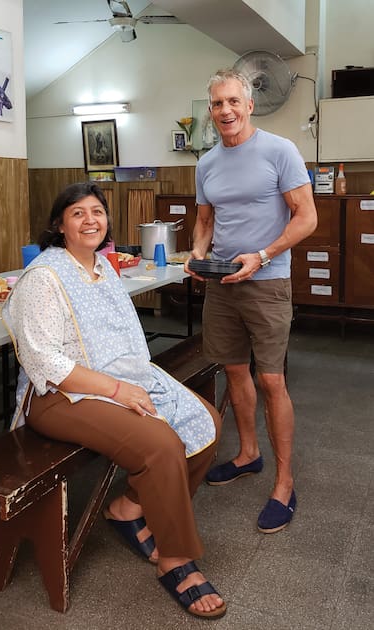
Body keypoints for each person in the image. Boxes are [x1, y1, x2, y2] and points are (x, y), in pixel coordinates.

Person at [2, 181, 226, 620]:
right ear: (59, 225)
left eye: (97, 212)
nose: (90, 220)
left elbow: (123, 340)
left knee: (207, 424)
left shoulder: (103, 269)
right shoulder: (44, 277)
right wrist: (119, 390)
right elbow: (44, 359)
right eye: (78, 213)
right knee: (160, 445)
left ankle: (129, 508)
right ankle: (175, 559)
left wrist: (131, 379)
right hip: (57, 396)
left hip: (113, 380)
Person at [185, 69, 318, 534]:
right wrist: (198, 254)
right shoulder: (206, 164)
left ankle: (284, 482)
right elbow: (205, 221)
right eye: (217, 104)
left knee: (271, 380)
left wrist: (261, 256)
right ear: (211, 111)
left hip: (267, 281)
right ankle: (248, 454)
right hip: (222, 283)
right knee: (234, 372)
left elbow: (307, 218)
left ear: (249, 105)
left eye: (232, 102)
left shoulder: (280, 150)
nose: (225, 111)